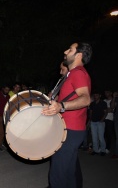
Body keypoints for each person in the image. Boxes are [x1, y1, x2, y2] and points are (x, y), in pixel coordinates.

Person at [42, 42, 92, 188]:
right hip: (69, 129)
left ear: (79, 55)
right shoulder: (71, 74)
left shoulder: (78, 73)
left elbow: (85, 98)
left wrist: (61, 106)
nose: (65, 51)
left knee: (58, 176)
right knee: (68, 174)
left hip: (70, 130)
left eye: (70, 49)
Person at [89, 91, 107, 156]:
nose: (95, 96)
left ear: (100, 95)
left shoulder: (103, 103)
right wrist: (90, 119)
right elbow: (91, 112)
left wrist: (102, 120)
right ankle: (95, 150)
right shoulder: (92, 103)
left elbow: (105, 112)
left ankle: (103, 150)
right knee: (94, 137)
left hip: (100, 122)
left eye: (96, 95)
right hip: (93, 122)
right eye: (94, 95)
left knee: (101, 137)